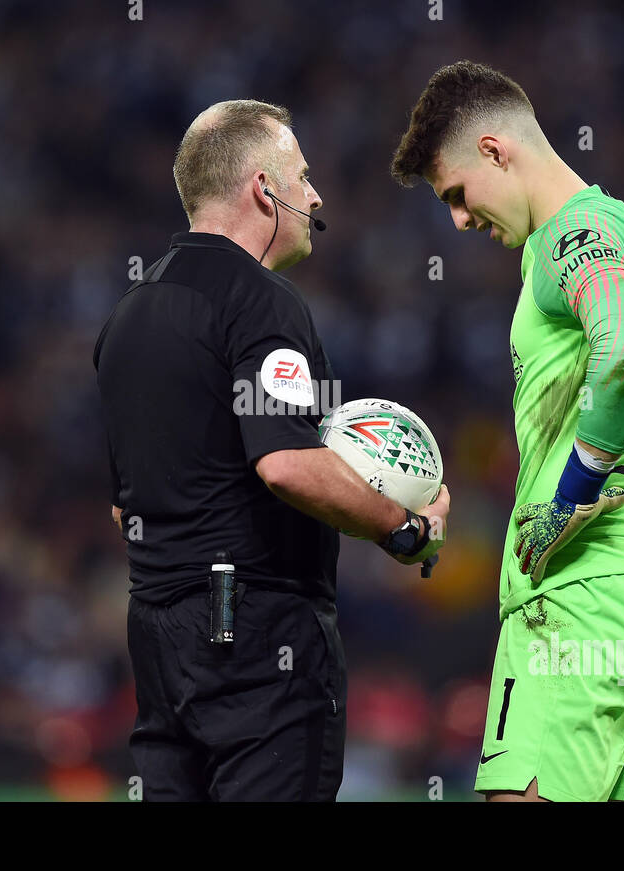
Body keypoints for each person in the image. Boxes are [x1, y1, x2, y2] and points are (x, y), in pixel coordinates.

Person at [390, 62, 624, 801]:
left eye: (457, 195)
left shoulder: (572, 233)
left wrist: (572, 494)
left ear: (497, 151)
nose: (460, 222)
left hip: (578, 600)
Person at [94, 100, 449, 801]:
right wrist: (404, 528)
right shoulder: (260, 300)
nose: (316, 195)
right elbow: (284, 462)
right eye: (303, 176)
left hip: (158, 638)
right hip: (256, 638)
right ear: (264, 188)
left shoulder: (126, 314)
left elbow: (122, 505)